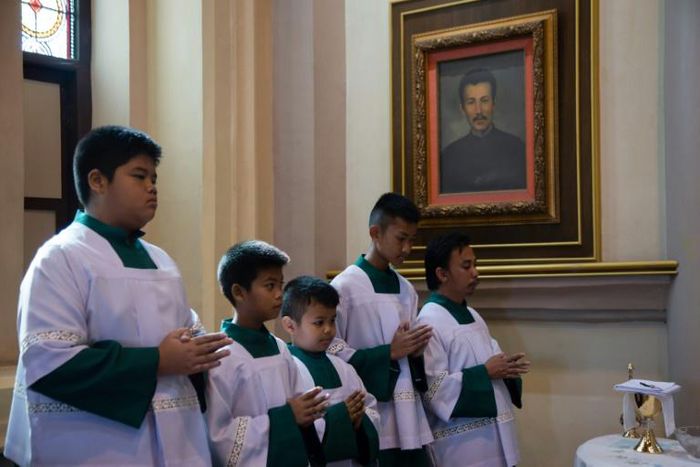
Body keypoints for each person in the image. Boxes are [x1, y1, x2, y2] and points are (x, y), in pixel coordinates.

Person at [4, 125, 232, 466]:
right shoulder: (61, 257)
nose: (152, 187)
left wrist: (199, 350)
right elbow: (49, 361)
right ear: (97, 181)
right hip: (97, 447)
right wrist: (157, 361)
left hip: (177, 441)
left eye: (154, 177)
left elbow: (186, 333)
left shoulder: (160, 259)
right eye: (139, 176)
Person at [329, 192, 434, 466]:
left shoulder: (406, 289)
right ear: (376, 232)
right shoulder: (345, 287)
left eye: (412, 240)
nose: (408, 248)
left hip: (409, 415)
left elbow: (411, 353)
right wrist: (389, 352)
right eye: (402, 238)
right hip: (374, 412)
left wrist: (415, 351)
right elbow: (332, 349)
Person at [206, 240, 331, 467]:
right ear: (239, 292)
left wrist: (309, 411)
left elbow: (300, 409)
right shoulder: (222, 356)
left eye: (281, 285)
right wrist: (287, 418)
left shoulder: (280, 348)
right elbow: (220, 437)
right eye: (270, 285)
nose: (279, 295)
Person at [417, 232, 530, 467]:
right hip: (463, 447)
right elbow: (434, 390)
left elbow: (492, 363)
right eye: (466, 266)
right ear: (442, 274)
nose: (475, 273)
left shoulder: (474, 316)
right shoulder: (429, 321)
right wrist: (485, 373)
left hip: (496, 438)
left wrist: (507, 369)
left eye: (475, 265)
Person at [281, 275, 381, 467]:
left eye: (332, 320)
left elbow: (370, 410)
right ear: (290, 325)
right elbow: (291, 429)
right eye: (319, 323)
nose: (328, 329)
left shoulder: (344, 368)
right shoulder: (287, 368)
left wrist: (361, 420)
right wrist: (340, 418)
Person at [440, 67, 526, 193]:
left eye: (484, 101)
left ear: (493, 104)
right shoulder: (448, 156)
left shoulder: (517, 148)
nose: (478, 111)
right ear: (462, 108)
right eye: (471, 102)